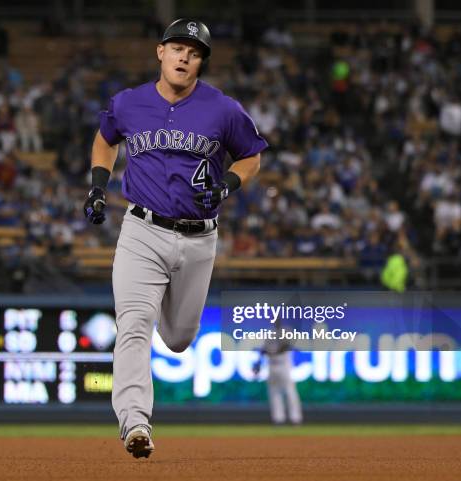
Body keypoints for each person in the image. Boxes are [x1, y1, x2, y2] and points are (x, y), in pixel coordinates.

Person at [83, 18, 268, 458]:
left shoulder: (222, 109)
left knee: (180, 337)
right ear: (160, 52)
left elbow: (251, 157)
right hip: (141, 231)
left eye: (195, 50)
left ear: (201, 61)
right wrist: (96, 185)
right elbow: (105, 139)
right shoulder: (129, 103)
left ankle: (169, 332)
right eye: (178, 47)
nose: (185, 56)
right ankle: (135, 424)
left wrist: (227, 185)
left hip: (199, 238)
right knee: (132, 326)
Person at [252, 320, 303, 425]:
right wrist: (258, 364)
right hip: (272, 365)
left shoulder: (286, 331)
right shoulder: (269, 334)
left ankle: (295, 418)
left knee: (289, 391)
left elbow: (287, 346)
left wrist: (271, 351)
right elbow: (263, 350)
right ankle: (278, 419)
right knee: (274, 392)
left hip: (283, 364)